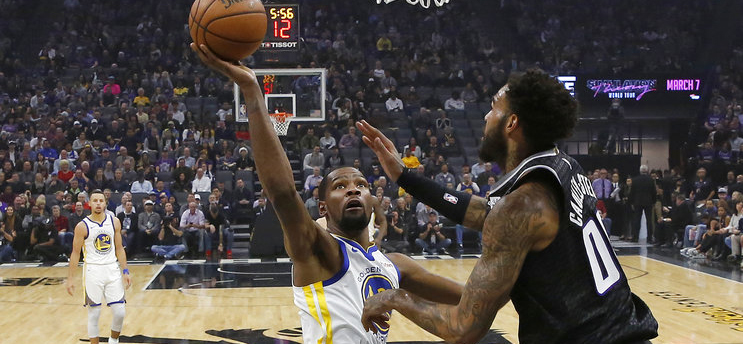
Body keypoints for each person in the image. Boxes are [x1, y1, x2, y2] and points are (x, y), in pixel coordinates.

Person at [356, 69, 657, 343]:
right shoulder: (564, 167)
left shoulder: (521, 206)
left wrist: (396, 298)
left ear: (511, 123)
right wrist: (406, 177)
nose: (486, 117)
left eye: (493, 107)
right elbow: (483, 212)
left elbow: (463, 328)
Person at [192, 42, 464, 344]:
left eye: (360, 185)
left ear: (373, 203)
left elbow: (474, 299)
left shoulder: (396, 264)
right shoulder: (319, 250)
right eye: (340, 186)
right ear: (322, 208)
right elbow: (283, 194)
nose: (352, 190)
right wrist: (253, 93)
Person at [66, 190, 131, 344]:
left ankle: (113, 341)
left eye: (101, 201)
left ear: (105, 203)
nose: (98, 204)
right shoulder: (82, 226)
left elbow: (120, 248)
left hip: (112, 269)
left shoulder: (114, 221)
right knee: (94, 314)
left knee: (120, 312)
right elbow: (75, 253)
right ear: (89, 203)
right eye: (95, 201)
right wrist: (70, 279)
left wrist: (126, 270)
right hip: (92, 271)